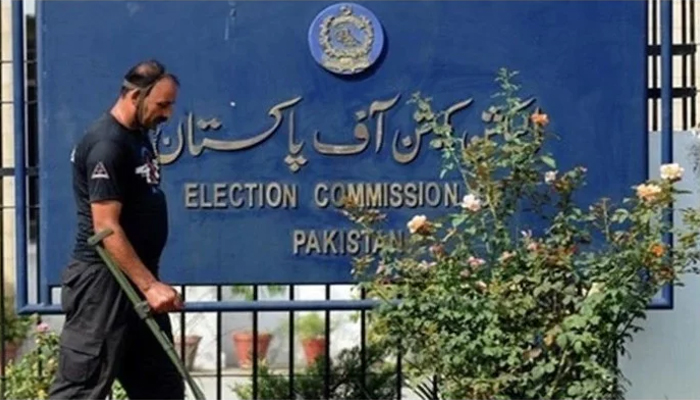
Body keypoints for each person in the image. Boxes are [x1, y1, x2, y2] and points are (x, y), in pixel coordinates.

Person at [49, 59, 185, 400]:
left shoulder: (138, 136)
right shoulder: (107, 145)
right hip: (104, 284)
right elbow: (106, 228)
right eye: (162, 105)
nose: (168, 114)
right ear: (134, 96)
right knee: (81, 390)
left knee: (162, 389)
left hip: (135, 281)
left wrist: (146, 284)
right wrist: (150, 286)